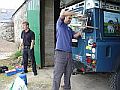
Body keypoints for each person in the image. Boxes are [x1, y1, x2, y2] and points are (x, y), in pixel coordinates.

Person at [52, 9, 82, 90]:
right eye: (69, 18)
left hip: (69, 54)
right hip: (60, 54)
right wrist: (76, 14)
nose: (70, 20)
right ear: (64, 17)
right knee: (57, 75)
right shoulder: (60, 24)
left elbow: (75, 36)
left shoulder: (69, 29)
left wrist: (82, 30)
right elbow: (62, 13)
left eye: (71, 19)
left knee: (68, 74)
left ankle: (67, 88)